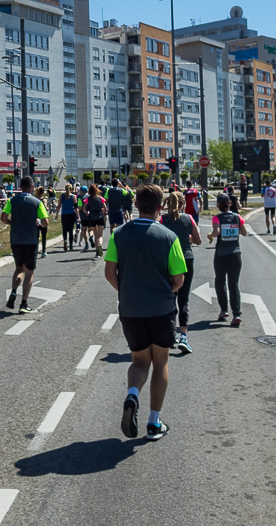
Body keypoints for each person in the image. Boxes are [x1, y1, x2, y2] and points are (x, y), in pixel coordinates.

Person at [104, 184, 188, 441]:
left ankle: (132, 395)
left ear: (136, 205)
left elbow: (109, 273)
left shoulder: (119, 234)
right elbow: (179, 279)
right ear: (160, 207)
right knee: (160, 361)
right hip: (161, 309)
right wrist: (167, 291)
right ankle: (154, 423)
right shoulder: (168, 237)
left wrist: (127, 291)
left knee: (139, 361)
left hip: (131, 310)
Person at [160, 191, 202, 354]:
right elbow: (198, 240)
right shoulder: (189, 219)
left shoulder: (162, 220)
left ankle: (170, 334)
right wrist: (188, 238)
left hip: (168, 261)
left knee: (170, 297)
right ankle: (183, 336)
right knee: (184, 299)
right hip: (186, 259)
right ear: (183, 204)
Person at [1, 176, 48, 314]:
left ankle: (14, 291)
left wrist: (11, 223)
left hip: (16, 240)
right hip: (31, 241)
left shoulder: (12, 201)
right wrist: (38, 222)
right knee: (29, 272)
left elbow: (3, 218)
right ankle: (24, 303)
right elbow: (45, 222)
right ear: (32, 187)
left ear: (20, 187)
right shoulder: (37, 202)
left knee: (18, 269)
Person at [208, 192, 248, 327]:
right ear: (230, 204)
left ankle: (224, 310)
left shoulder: (217, 218)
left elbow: (216, 232)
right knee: (233, 284)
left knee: (220, 282)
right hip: (235, 254)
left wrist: (210, 235)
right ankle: (237, 313)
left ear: (218, 205)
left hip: (221, 255)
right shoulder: (237, 217)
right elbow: (244, 233)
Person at [84, 184, 108, 258]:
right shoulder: (100, 198)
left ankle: (97, 252)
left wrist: (87, 212)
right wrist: (105, 212)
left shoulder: (88, 199)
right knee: (100, 235)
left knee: (95, 234)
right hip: (100, 216)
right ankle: (100, 244)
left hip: (92, 216)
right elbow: (105, 208)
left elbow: (84, 208)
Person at [59, 183, 78, 252]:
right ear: (71, 189)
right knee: (70, 230)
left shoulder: (62, 196)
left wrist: (56, 215)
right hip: (71, 214)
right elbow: (76, 207)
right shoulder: (73, 196)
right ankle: (70, 246)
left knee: (64, 229)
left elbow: (59, 205)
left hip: (64, 214)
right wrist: (78, 216)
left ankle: (65, 240)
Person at [34, 186, 49, 258]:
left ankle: (35, 250)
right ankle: (43, 251)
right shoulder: (44, 200)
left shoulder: (34, 199)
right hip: (42, 219)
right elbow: (45, 208)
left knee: (36, 236)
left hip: (35, 219)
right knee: (44, 236)